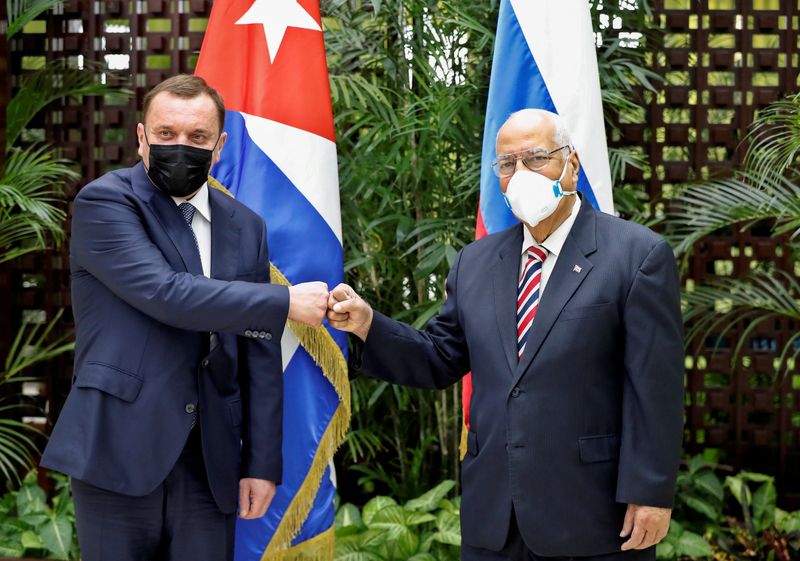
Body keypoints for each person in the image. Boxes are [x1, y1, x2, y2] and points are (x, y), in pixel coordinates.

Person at [327, 109, 684, 561]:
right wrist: (366, 325)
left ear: (571, 165)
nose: (521, 174)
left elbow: (656, 389)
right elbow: (440, 357)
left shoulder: (636, 256)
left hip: (593, 515)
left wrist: (651, 492)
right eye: (507, 164)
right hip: (493, 517)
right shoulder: (476, 262)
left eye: (536, 158)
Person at [40, 75, 329, 561]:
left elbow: (258, 352)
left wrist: (261, 462)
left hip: (210, 460)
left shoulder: (246, 226)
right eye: (166, 134)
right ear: (141, 137)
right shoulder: (106, 202)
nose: (181, 146)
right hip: (118, 447)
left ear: (219, 146)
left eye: (197, 138)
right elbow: (165, 293)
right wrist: (282, 302)